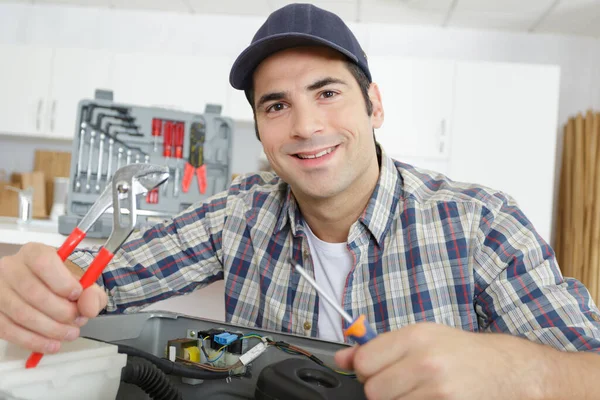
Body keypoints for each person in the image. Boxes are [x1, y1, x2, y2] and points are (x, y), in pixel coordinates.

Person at [1, 3, 600, 398]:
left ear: (375, 107)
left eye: (328, 92)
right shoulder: (241, 212)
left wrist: (516, 371)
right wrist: (29, 282)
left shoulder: (481, 223)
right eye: (277, 105)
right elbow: (95, 279)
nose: (306, 126)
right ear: (261, 130)